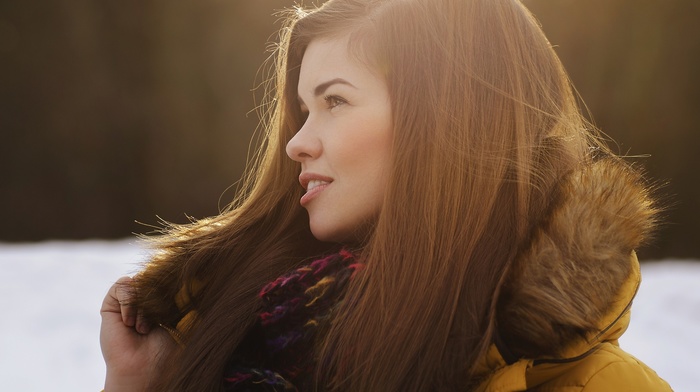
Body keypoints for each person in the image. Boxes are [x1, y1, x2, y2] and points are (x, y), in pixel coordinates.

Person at [100, 0, 672, 390]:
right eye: (303, 109)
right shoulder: (227, 327)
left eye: (336, 101)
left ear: (452, 120)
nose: (296, 143)